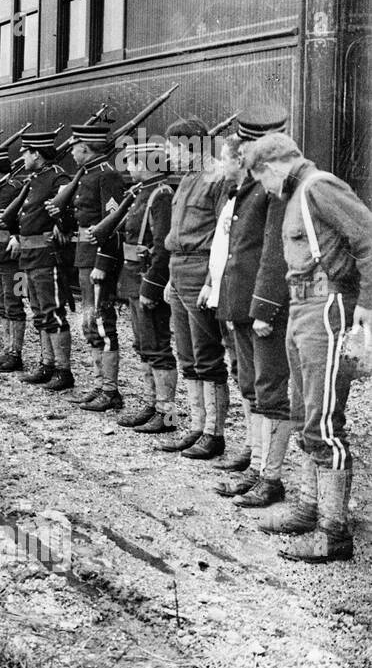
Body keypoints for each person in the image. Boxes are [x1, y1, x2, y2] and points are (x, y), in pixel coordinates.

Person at [240, 133, 372, 563]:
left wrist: (367, 304)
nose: (263, 188)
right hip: (301, 308)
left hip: (327, 306)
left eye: (261, 179)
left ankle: (333, 532)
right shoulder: (297, 194)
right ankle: (309, 507)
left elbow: (367, 238)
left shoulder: (319, 187)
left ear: (274, 166)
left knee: (323, 421)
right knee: (303, 414)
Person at [206, 116, 292, 506]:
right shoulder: (243, 190)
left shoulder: (270, 190)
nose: (229, 158)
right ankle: (257, 466)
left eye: (234, 151)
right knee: (250, 383)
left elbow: (274, 252)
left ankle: (270, 479)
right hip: (240, 302)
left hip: (262, 306)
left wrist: (265, 307)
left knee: (270, 389)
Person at [159, 118, 232, 458]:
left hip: (202, 269)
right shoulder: (188, 178)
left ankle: (214, 434)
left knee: (207, 355)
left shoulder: (217, 178)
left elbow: (224, 236)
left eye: (173, 147)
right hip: (181, 268)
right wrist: (173, 278)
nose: (168, 155)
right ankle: (196, 428)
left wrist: (212, 281)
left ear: (190, 146)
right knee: (187, 355)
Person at [94, 139, 178, 432]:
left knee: (157, 346)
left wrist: (152, 286)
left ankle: (167, 414)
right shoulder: (144, 192)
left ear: (146, 163)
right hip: (133, 277)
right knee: (143, 345)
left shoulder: (161, 194)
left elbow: (163, 246)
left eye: (131, 161)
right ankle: (152, 404)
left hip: (146, 278)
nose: (128, 167)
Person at [52, 122, 126, 410]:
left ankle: (110, 390)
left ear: (85, 147)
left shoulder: (107, 176)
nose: (70, 151)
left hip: (96, 258)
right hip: (84, 255)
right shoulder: (87, 175)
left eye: (74, 146)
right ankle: (100, 385)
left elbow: (114, 224)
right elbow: (82, 219)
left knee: (101, 323)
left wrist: (103, 262)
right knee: (89, 324)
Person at [13, 131, 74, 389]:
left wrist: (62, 224)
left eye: (25, 153)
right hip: (28, 256)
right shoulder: (35, 178)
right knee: (38, 312)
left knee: (53, 312)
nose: (22, 158)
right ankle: (47, 363)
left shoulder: (57, 177)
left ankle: (63, 370)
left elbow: (68, 205)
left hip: (46, 255)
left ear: (36, 153)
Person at [0, 142, 27, 370]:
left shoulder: (15, 187)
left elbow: (24, 214)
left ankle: (15, 354)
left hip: (12, 258)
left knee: (14, 303)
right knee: (1, 304)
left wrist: (17, 235)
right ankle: (6, 351)